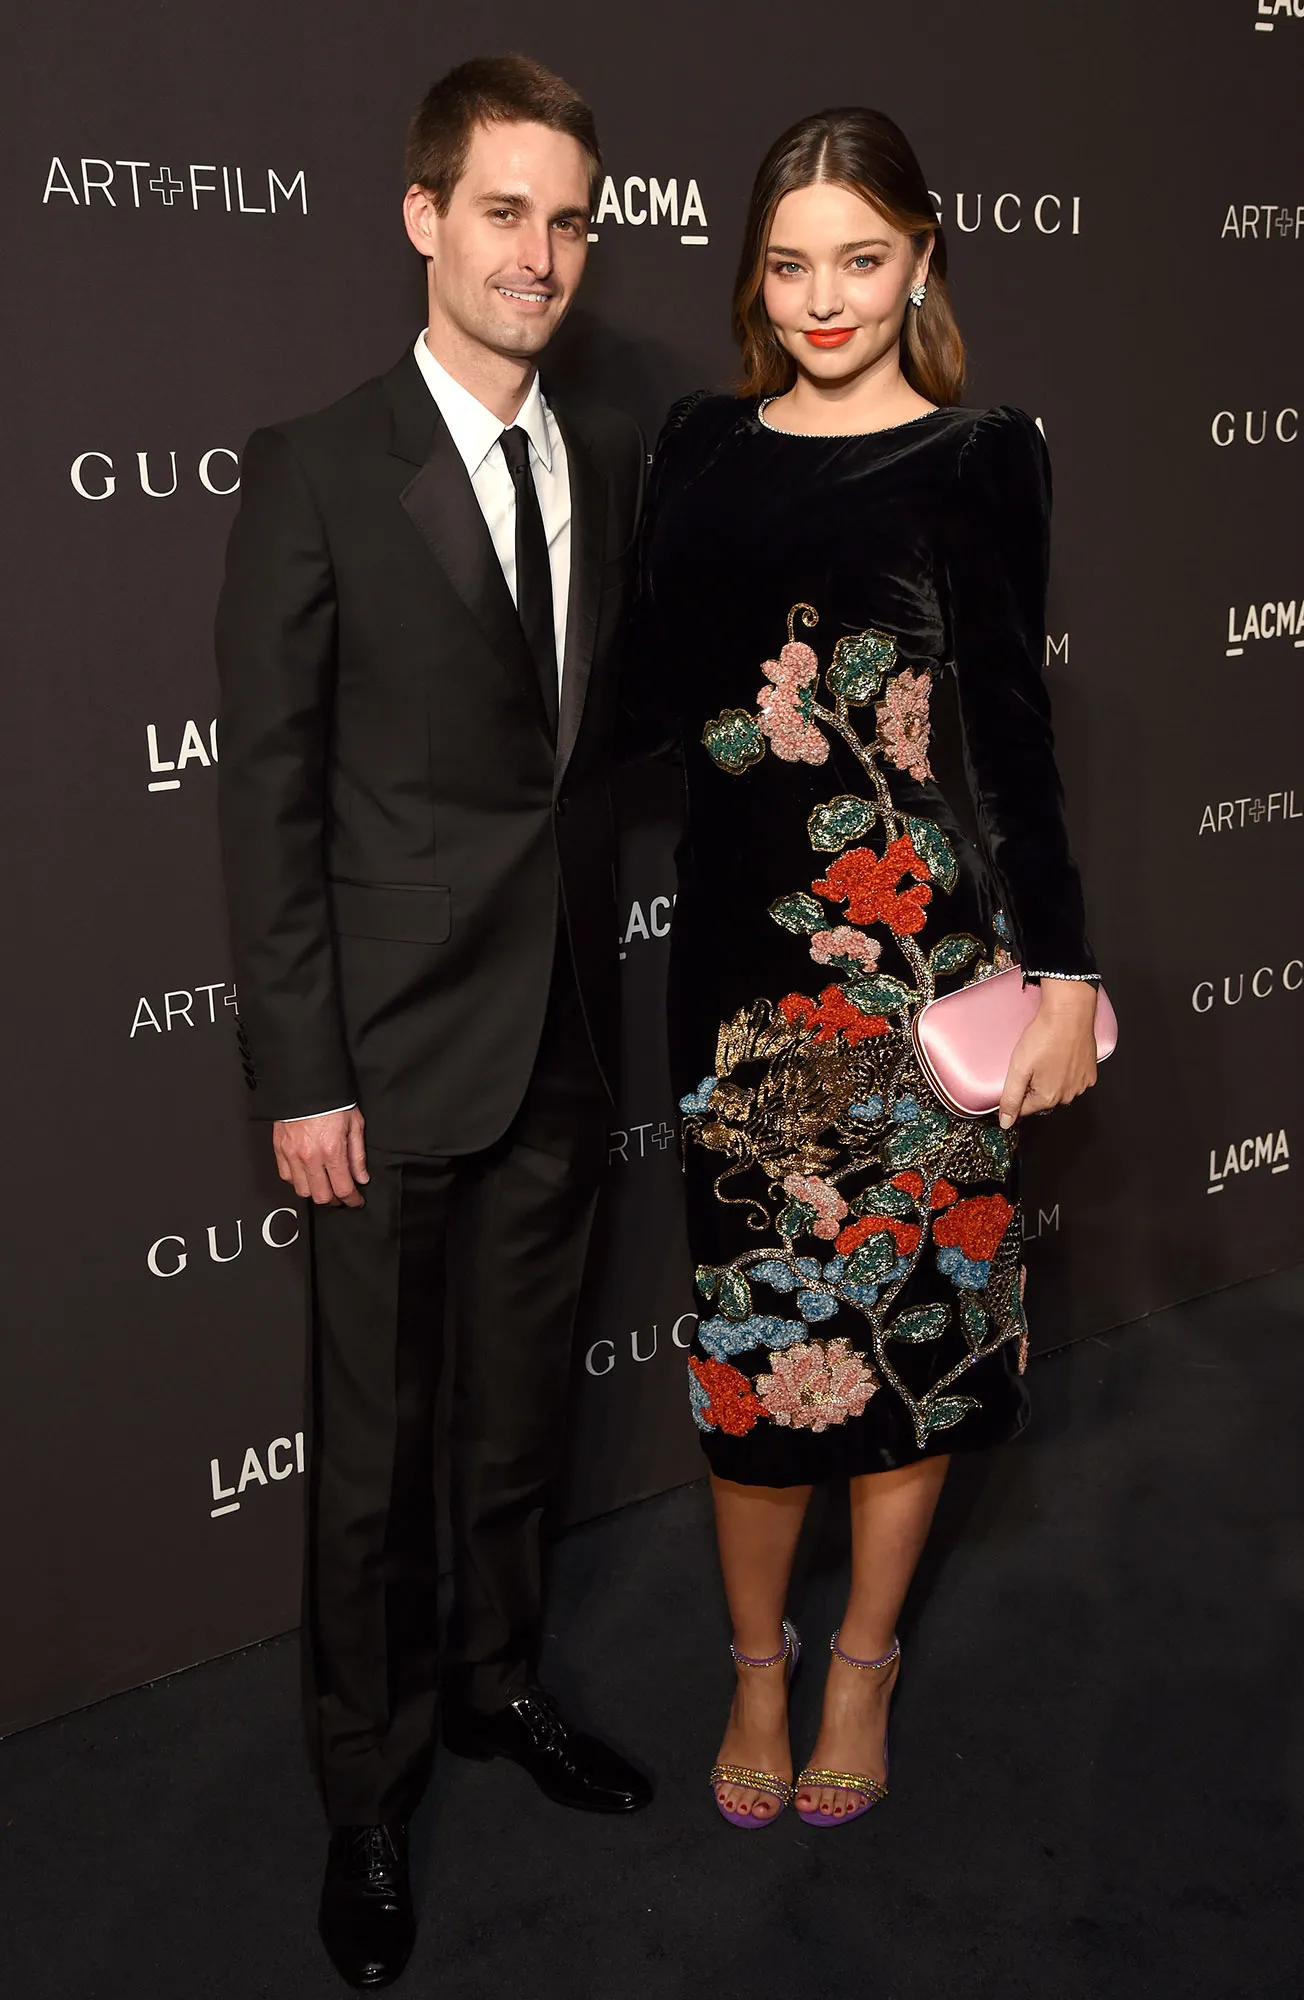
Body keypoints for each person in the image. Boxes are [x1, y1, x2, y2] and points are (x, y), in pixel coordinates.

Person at [216, 55, 650, 1989]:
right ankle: (367, 1796)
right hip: (382, 1062)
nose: (539, 255)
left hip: (559, 1030)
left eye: (569, 222)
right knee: (376, 1455)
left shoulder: (605, 458)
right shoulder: (316, 466)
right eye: (502, 212)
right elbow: (268, 802)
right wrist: (302, 1070)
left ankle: (495, 1688)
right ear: (422, 216)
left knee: (515, 1419)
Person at [636, 108, 1101, 1832]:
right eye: (788, 264)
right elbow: (638, 695)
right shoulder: (696, 441)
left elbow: (1013, 734)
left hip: (913, 967)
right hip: (736, 983)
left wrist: (1063, 972)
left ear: (920, 260)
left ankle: (860, 1663)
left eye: (859, 257)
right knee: (754, 1348)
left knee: (907, 1334)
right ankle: (756, 1664)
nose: (823, 298)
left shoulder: (980, 454)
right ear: (752, 277)